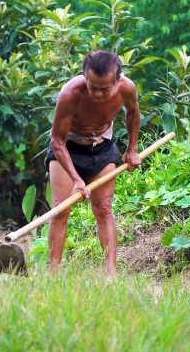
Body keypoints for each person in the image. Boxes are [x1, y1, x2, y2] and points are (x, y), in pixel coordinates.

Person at [44, 50, 141, 277]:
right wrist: (77, 179)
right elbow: (57, 141)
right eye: (92, 86)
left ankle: (111, 275)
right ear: (84, 77)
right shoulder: (70, 93)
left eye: (104, 88)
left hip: (103, 148)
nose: (97, 93)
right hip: (68, 150)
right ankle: (53, 276)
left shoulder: (127, 88)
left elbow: (133, 112)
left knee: (104, 209)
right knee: (60, 209)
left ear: (117, 80)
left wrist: (132, 149)